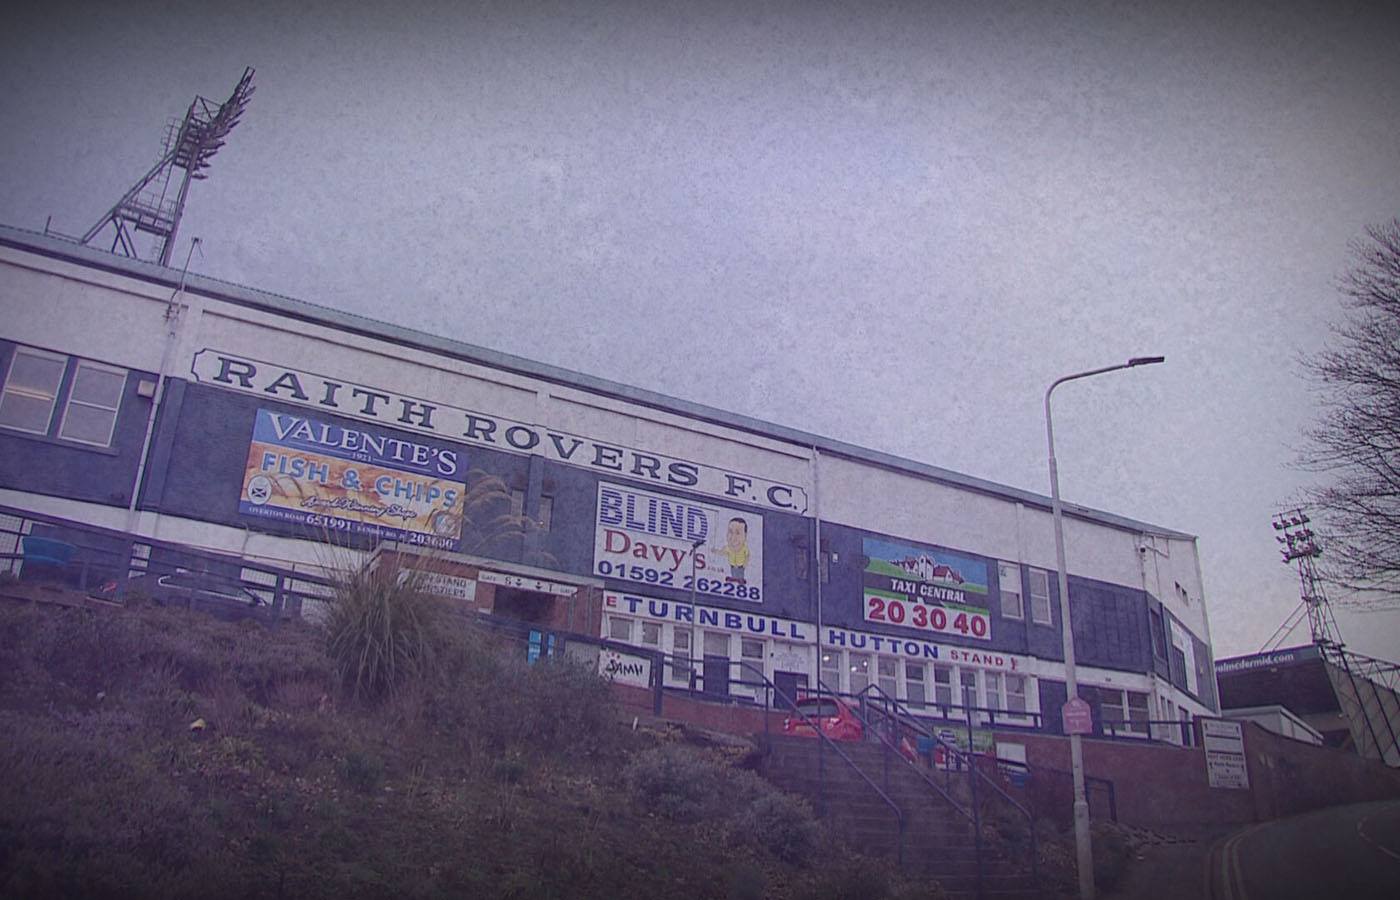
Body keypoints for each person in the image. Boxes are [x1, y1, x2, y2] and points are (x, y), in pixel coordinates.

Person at [712, 517, 751, 583]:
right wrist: (715, 551)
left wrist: (745, 564)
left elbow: (747, 556)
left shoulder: (744, 548)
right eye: (730, 532)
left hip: (740, 565)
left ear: (745, 536)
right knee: (733, 571)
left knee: (740, 572)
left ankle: (740, 579)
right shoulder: (728, 547)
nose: (733, 537)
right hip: (732, 564)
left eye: (738, 533)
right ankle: (734, 578)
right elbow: (722, 552)